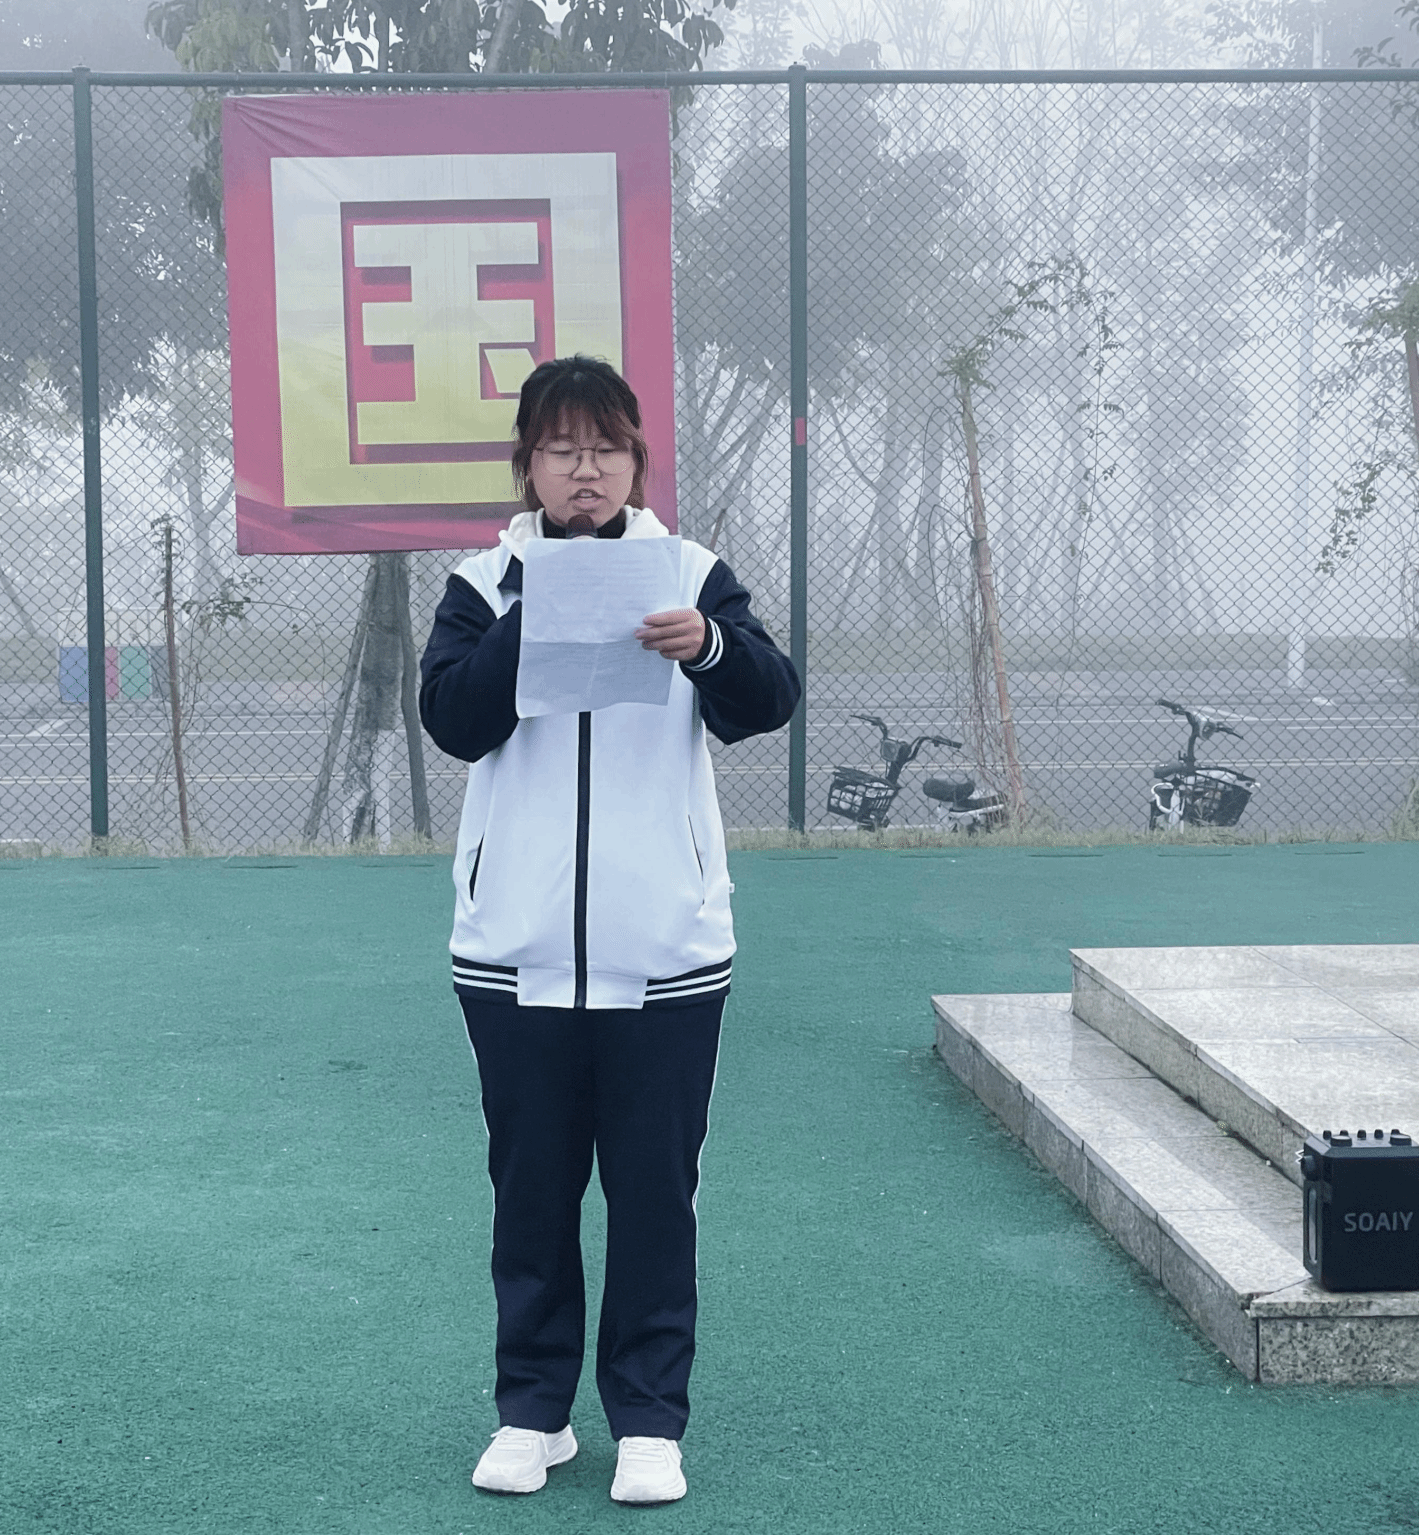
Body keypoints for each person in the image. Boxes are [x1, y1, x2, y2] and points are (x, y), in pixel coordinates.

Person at [418, 355, 798, 1506]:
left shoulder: (689, 575)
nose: (583, 470)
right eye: (560, 449)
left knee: (651, 1193)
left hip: (664, 953)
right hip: (513, 949)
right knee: (529, 1190)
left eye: (604, 449)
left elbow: (767, 698)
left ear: (635, 460)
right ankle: (531, 1413)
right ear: (526, 464)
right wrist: (532, 615)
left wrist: (708, 646)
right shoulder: (481, 583)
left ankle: (645, 1419)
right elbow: (453, 721)